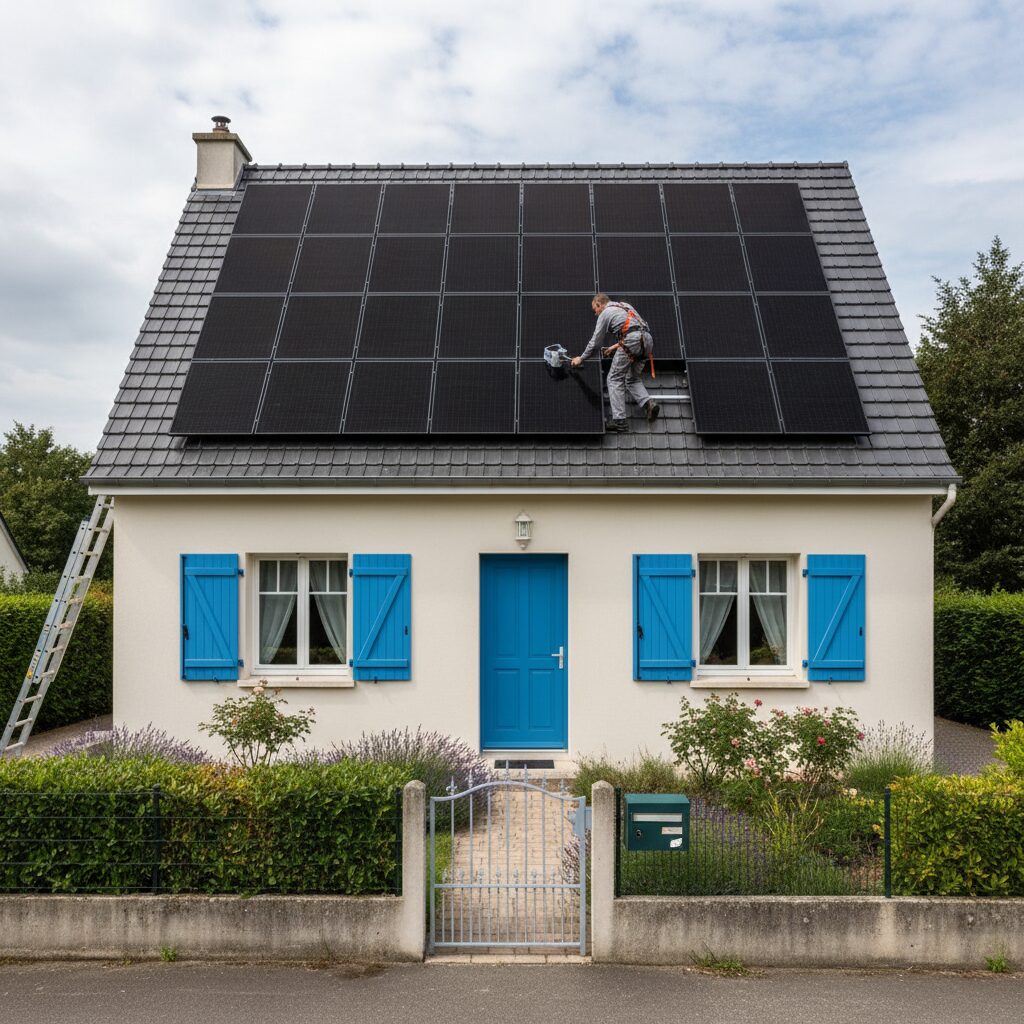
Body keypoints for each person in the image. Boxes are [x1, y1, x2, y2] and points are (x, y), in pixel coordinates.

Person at [571, 294, 658, 432]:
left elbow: (595, 343)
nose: (595, 313)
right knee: (631, 378)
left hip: (632, 341)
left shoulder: (605, 313)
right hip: (647, 341)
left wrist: (581, 358)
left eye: (595, 309)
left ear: (599, 305)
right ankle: (649, 404)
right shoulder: (625, 306)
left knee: (614, 378)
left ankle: (620, 421)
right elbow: (635, 328)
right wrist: (613, 348)